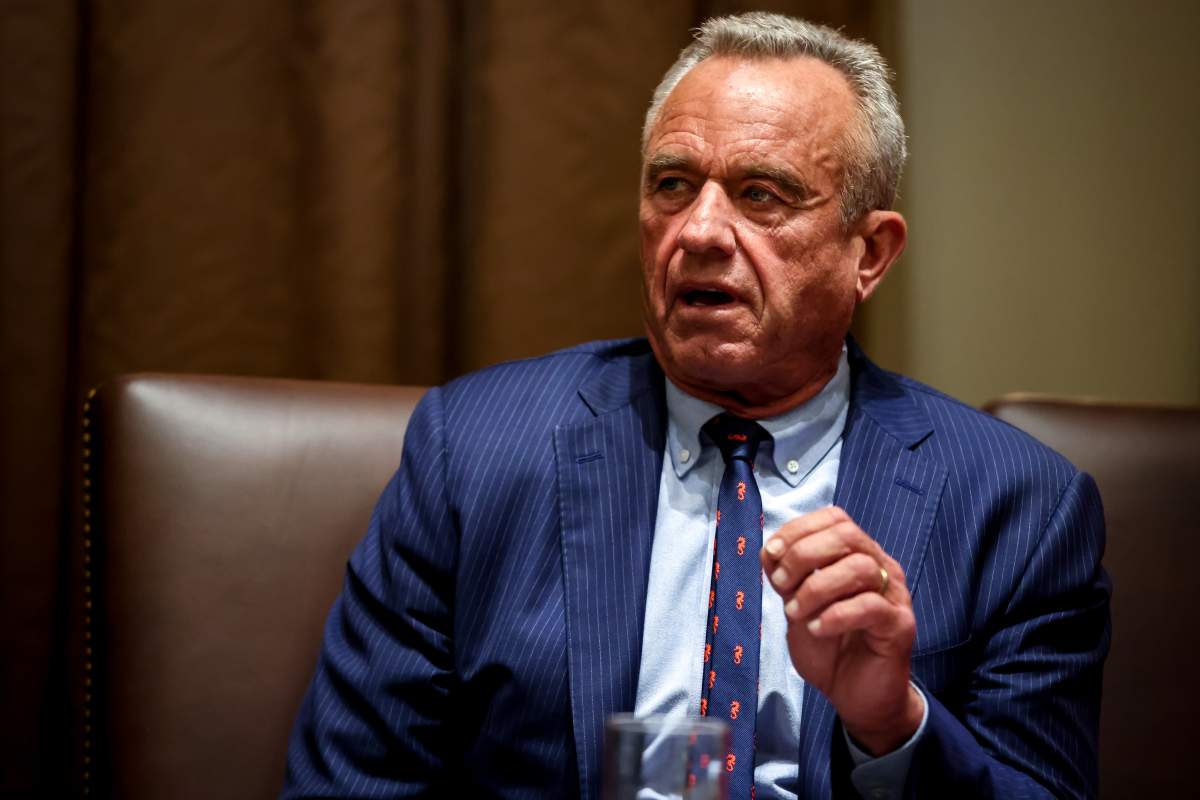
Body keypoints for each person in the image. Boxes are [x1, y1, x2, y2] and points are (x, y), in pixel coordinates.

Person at [283, 13, 1109, 799]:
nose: (701, 230)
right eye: (673, 185)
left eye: (762, 194)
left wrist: (893, 724)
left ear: (872, 253)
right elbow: (355, 778)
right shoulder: (474, 449)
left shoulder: (1019, 508)